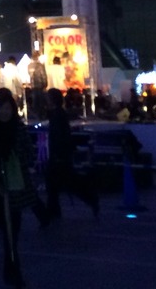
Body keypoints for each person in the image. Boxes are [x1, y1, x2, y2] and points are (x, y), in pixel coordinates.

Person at [0, 88, 37, 288]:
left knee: (12, 232)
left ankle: (12, 270)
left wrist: (15, 158)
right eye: (1, 108)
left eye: (7, 108)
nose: (4, 112)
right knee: (7, 231)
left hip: (16, 187)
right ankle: (12, 270)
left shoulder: (19, 129)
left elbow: (29, 154)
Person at [43, 87, 98, 219]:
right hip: (61, 154)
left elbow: (59, 136)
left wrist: (58, 153)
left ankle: (54, 210)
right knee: (64, 182)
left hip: (59, 155)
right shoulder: (59, 114)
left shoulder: (57, 116)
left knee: (62, 183)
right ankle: (55, 209)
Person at [26, 53, 47, 120]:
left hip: (33, 86)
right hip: (40, 86)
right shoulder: (40, 65)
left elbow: (30, 75)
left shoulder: (29, 66)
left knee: (35, 102)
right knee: (41, 102)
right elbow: (43, 76)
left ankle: (36, 116)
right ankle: (41, 116)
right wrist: (45, 84)